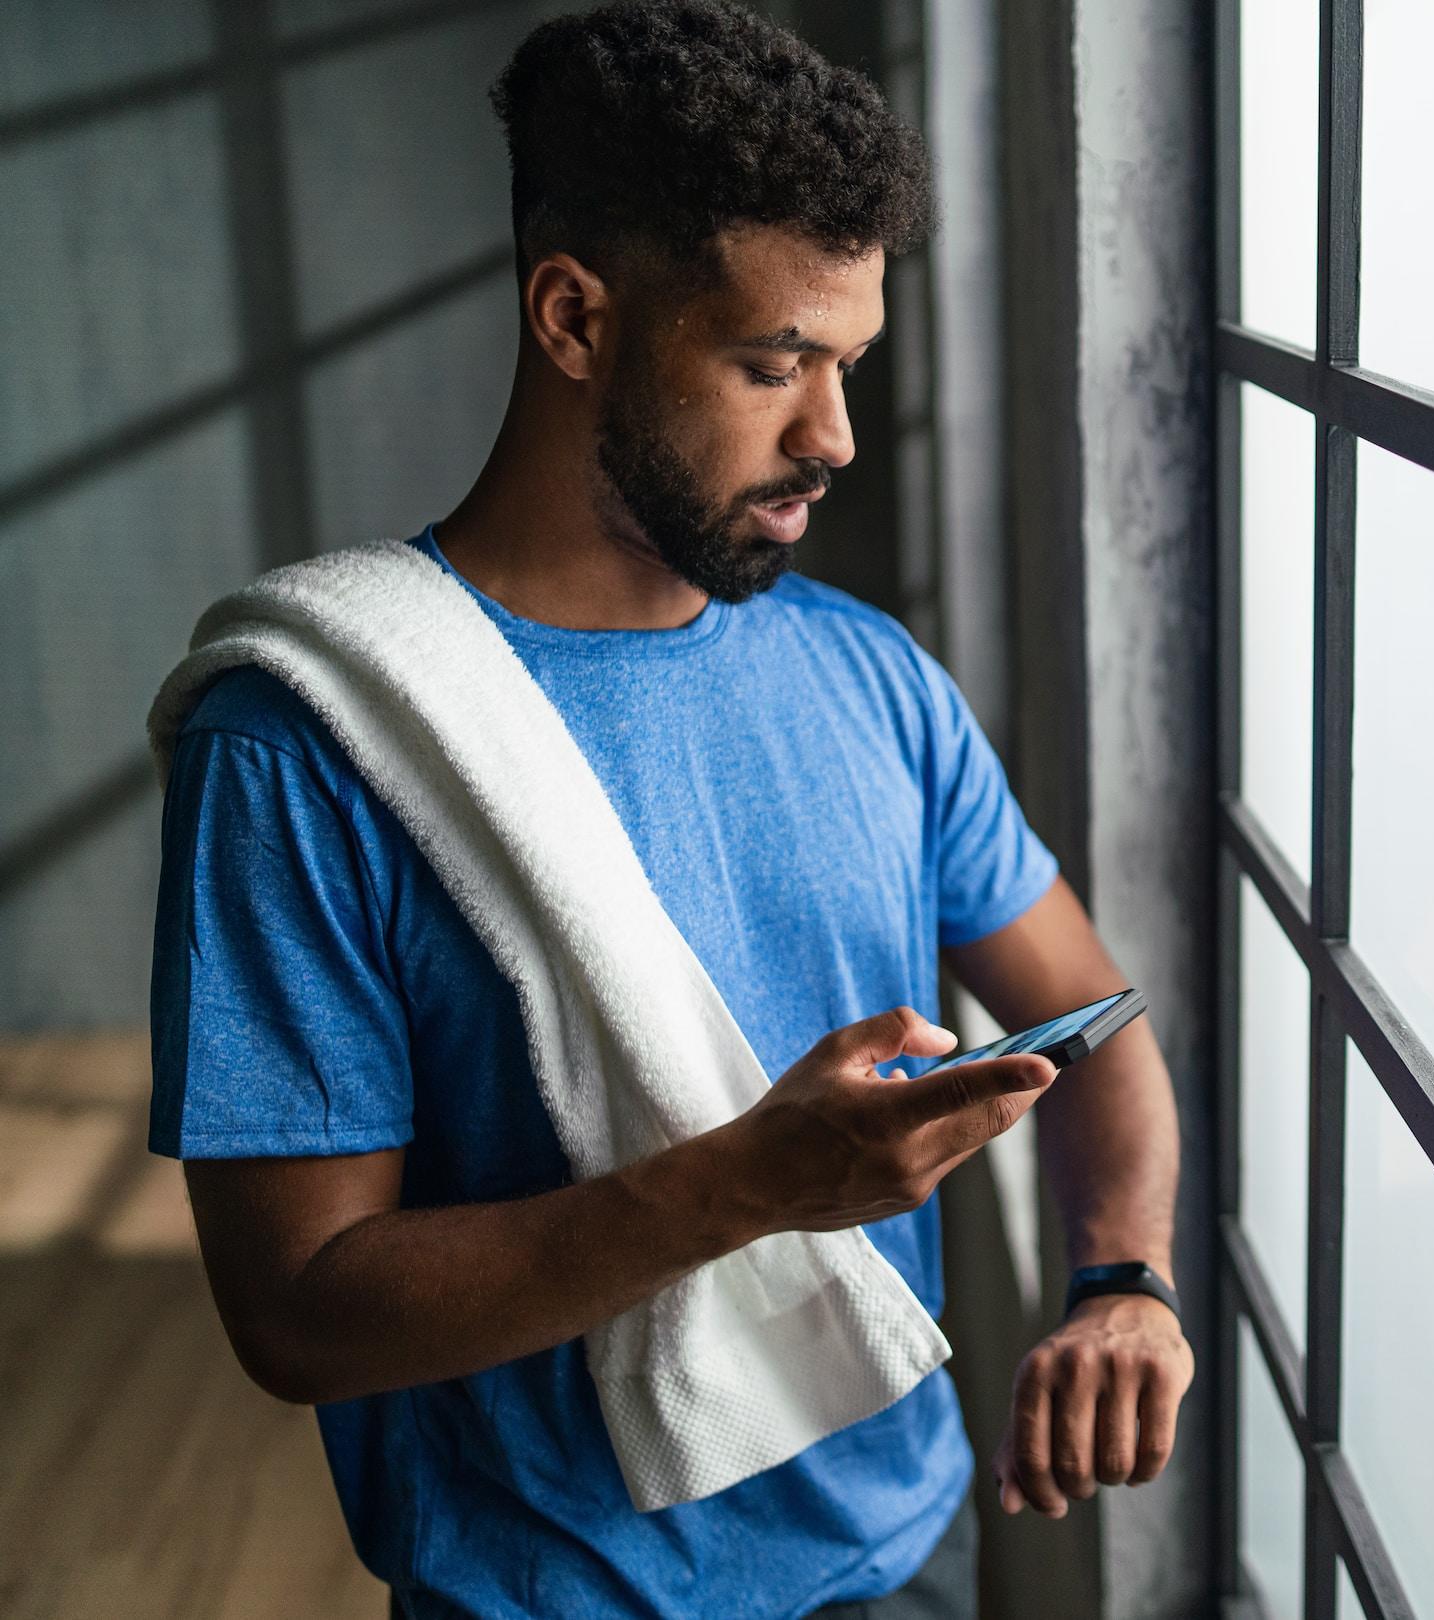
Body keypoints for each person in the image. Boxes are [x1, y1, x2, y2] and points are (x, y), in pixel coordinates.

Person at [145, 4, 1192, 1615]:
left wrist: (1125, 1277)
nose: (830, 435)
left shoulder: (876, 681)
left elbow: (1094, 1022)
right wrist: (753, 1181)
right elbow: (298, 1314)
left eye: (848, 365)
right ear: (575, 320)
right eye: (772, 363)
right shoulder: (305, 743)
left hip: (909, 1551)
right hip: (551, 1591)